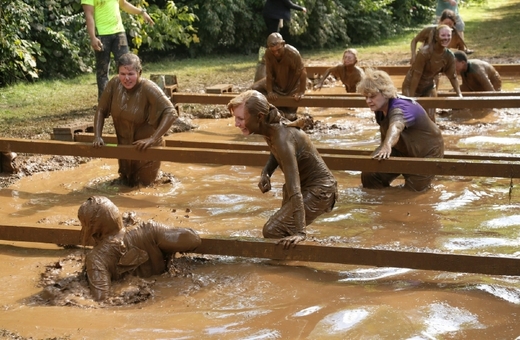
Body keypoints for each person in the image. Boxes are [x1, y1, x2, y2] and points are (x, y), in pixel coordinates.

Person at [227, 90, 337, 248]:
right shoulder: (269, 126)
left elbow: (295, 188)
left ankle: (299, 260)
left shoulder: (282, 138)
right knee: (283, 232)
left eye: (240, 119)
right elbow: (275, 152)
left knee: (273, 230)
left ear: (259, 117)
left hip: (320, 190)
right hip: (307, 188)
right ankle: (293, 261)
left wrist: (301, 232)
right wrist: (266, 172)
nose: (236, 124)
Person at [78, 196, 201, 301]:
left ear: (94, 232)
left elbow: (101, 300)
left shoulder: (96, 259)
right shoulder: (149, 231)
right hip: (169, 295)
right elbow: (193, 239)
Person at [93, 53, 178, 187]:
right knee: (125, 185)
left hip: (146, 150)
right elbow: (101, 110)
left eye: (131, 74)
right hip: (124, 150)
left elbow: (171, 112)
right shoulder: (114, 84)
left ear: (139, 72)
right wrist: (97, 136)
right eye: (122, 74)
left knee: (144, 188)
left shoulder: (148, 87)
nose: (126, 78)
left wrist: (153, 139)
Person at [357, 69, 444, 192]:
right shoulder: (380, 109)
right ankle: (380, 203)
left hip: (425, 152)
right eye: (366, 97)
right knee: (370, 173)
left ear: (385, 92)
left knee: (412, 193)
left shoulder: (402, 106)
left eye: (372, 96)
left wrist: (387, 145)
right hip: (400, 147)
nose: (368, 101)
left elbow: (396, 126)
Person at [81, 0, 154, 100]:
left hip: (119, 33)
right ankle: (104, 102)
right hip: (101, 35)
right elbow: (89, 14)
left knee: (128, 66)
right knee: (102, 71)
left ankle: (129, 98)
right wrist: (93, 37)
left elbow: (123, 4)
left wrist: (141, 12)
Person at [402, 24, 462, 122]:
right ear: (436, 36)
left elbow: (453, 77)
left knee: (430, 118)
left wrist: (459, 95)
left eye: (448, 36)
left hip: (428, 86)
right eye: (443, 36)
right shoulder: (424, 52)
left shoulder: (449, 56)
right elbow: (416, 76)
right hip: (411, 85)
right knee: (411, 117)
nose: (446, 38)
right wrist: (412, 98)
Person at [251, 33, 308, 120]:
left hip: (291, 86)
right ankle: (268, 109)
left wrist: (301, 92)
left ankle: (282, 111)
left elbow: (302, 72)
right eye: (273, 51)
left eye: (278, 50)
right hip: (276, 84)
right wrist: (270, 92)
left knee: (290, 113)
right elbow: (269, 74)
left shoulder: (293, 53)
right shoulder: (268, 53)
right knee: (254, 89)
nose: (276, 53)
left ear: (283, 44)